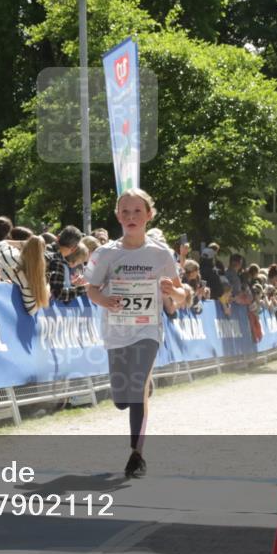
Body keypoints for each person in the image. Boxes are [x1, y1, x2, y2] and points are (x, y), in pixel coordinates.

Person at [85, 188, 186, 479]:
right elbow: (91, 288)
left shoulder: (160, 253)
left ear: (149, 215)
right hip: (116, 331)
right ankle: (139, 389)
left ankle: (136, 454)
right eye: (125, 212)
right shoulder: (105, 253)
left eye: (137, 211)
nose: (131, 217)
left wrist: (172, 291)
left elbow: (180, 293)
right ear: (118, 216)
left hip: (147, 330)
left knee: (137, 385)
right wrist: (103, 300)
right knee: (121, 399)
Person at [0, 234, 50, 315]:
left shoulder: (9, 253)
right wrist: (47, 288)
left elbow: (1, 243)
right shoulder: (29, 280)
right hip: (6, 314)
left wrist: (22, 243)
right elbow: (31, 310)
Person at [45, 225, 87, 303]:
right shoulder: (57, 260)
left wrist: (72, 284)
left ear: (58, 237)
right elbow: (59, 294)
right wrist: (84, 288)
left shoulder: (43, 249)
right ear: (74, 248)